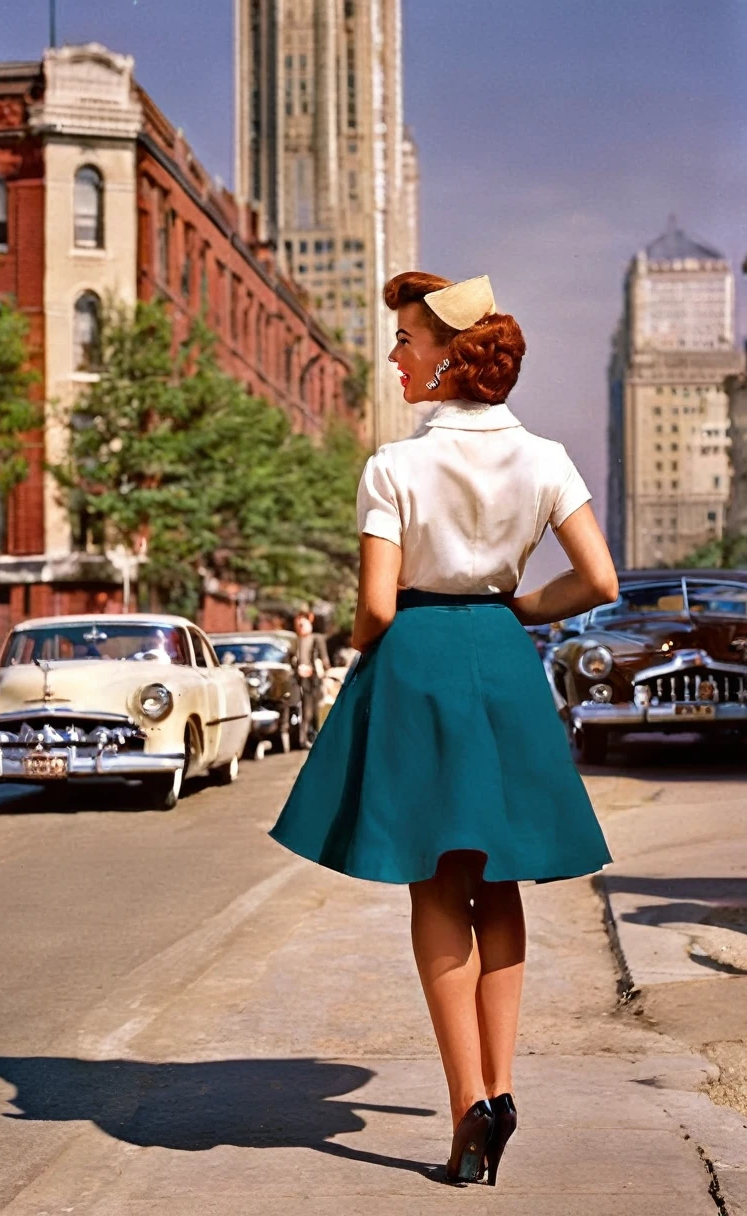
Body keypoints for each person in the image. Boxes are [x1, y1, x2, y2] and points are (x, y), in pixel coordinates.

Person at [270, 272, 617, 1187]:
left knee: (434, 881)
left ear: (447, 358)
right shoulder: (547, 459)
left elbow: (378, 605)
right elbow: (602, 582)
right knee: (499, 881)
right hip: (502, 661)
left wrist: (355, 644)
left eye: (407, 341)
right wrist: (520, 609)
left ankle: (467, 1106)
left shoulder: (394, 467)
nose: (394, 356)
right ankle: (501, 1088)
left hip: (419, 657)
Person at [293, 609, 330, 743]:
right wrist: (298, 669)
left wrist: (325, 673)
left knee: (315, 710)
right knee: (306, 710)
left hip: (314, 679)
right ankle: (304, 739)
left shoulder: (316, 639)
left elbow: (324, 659)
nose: (301, 625)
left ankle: (314, 737)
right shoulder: (296, 641)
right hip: (300, 681)